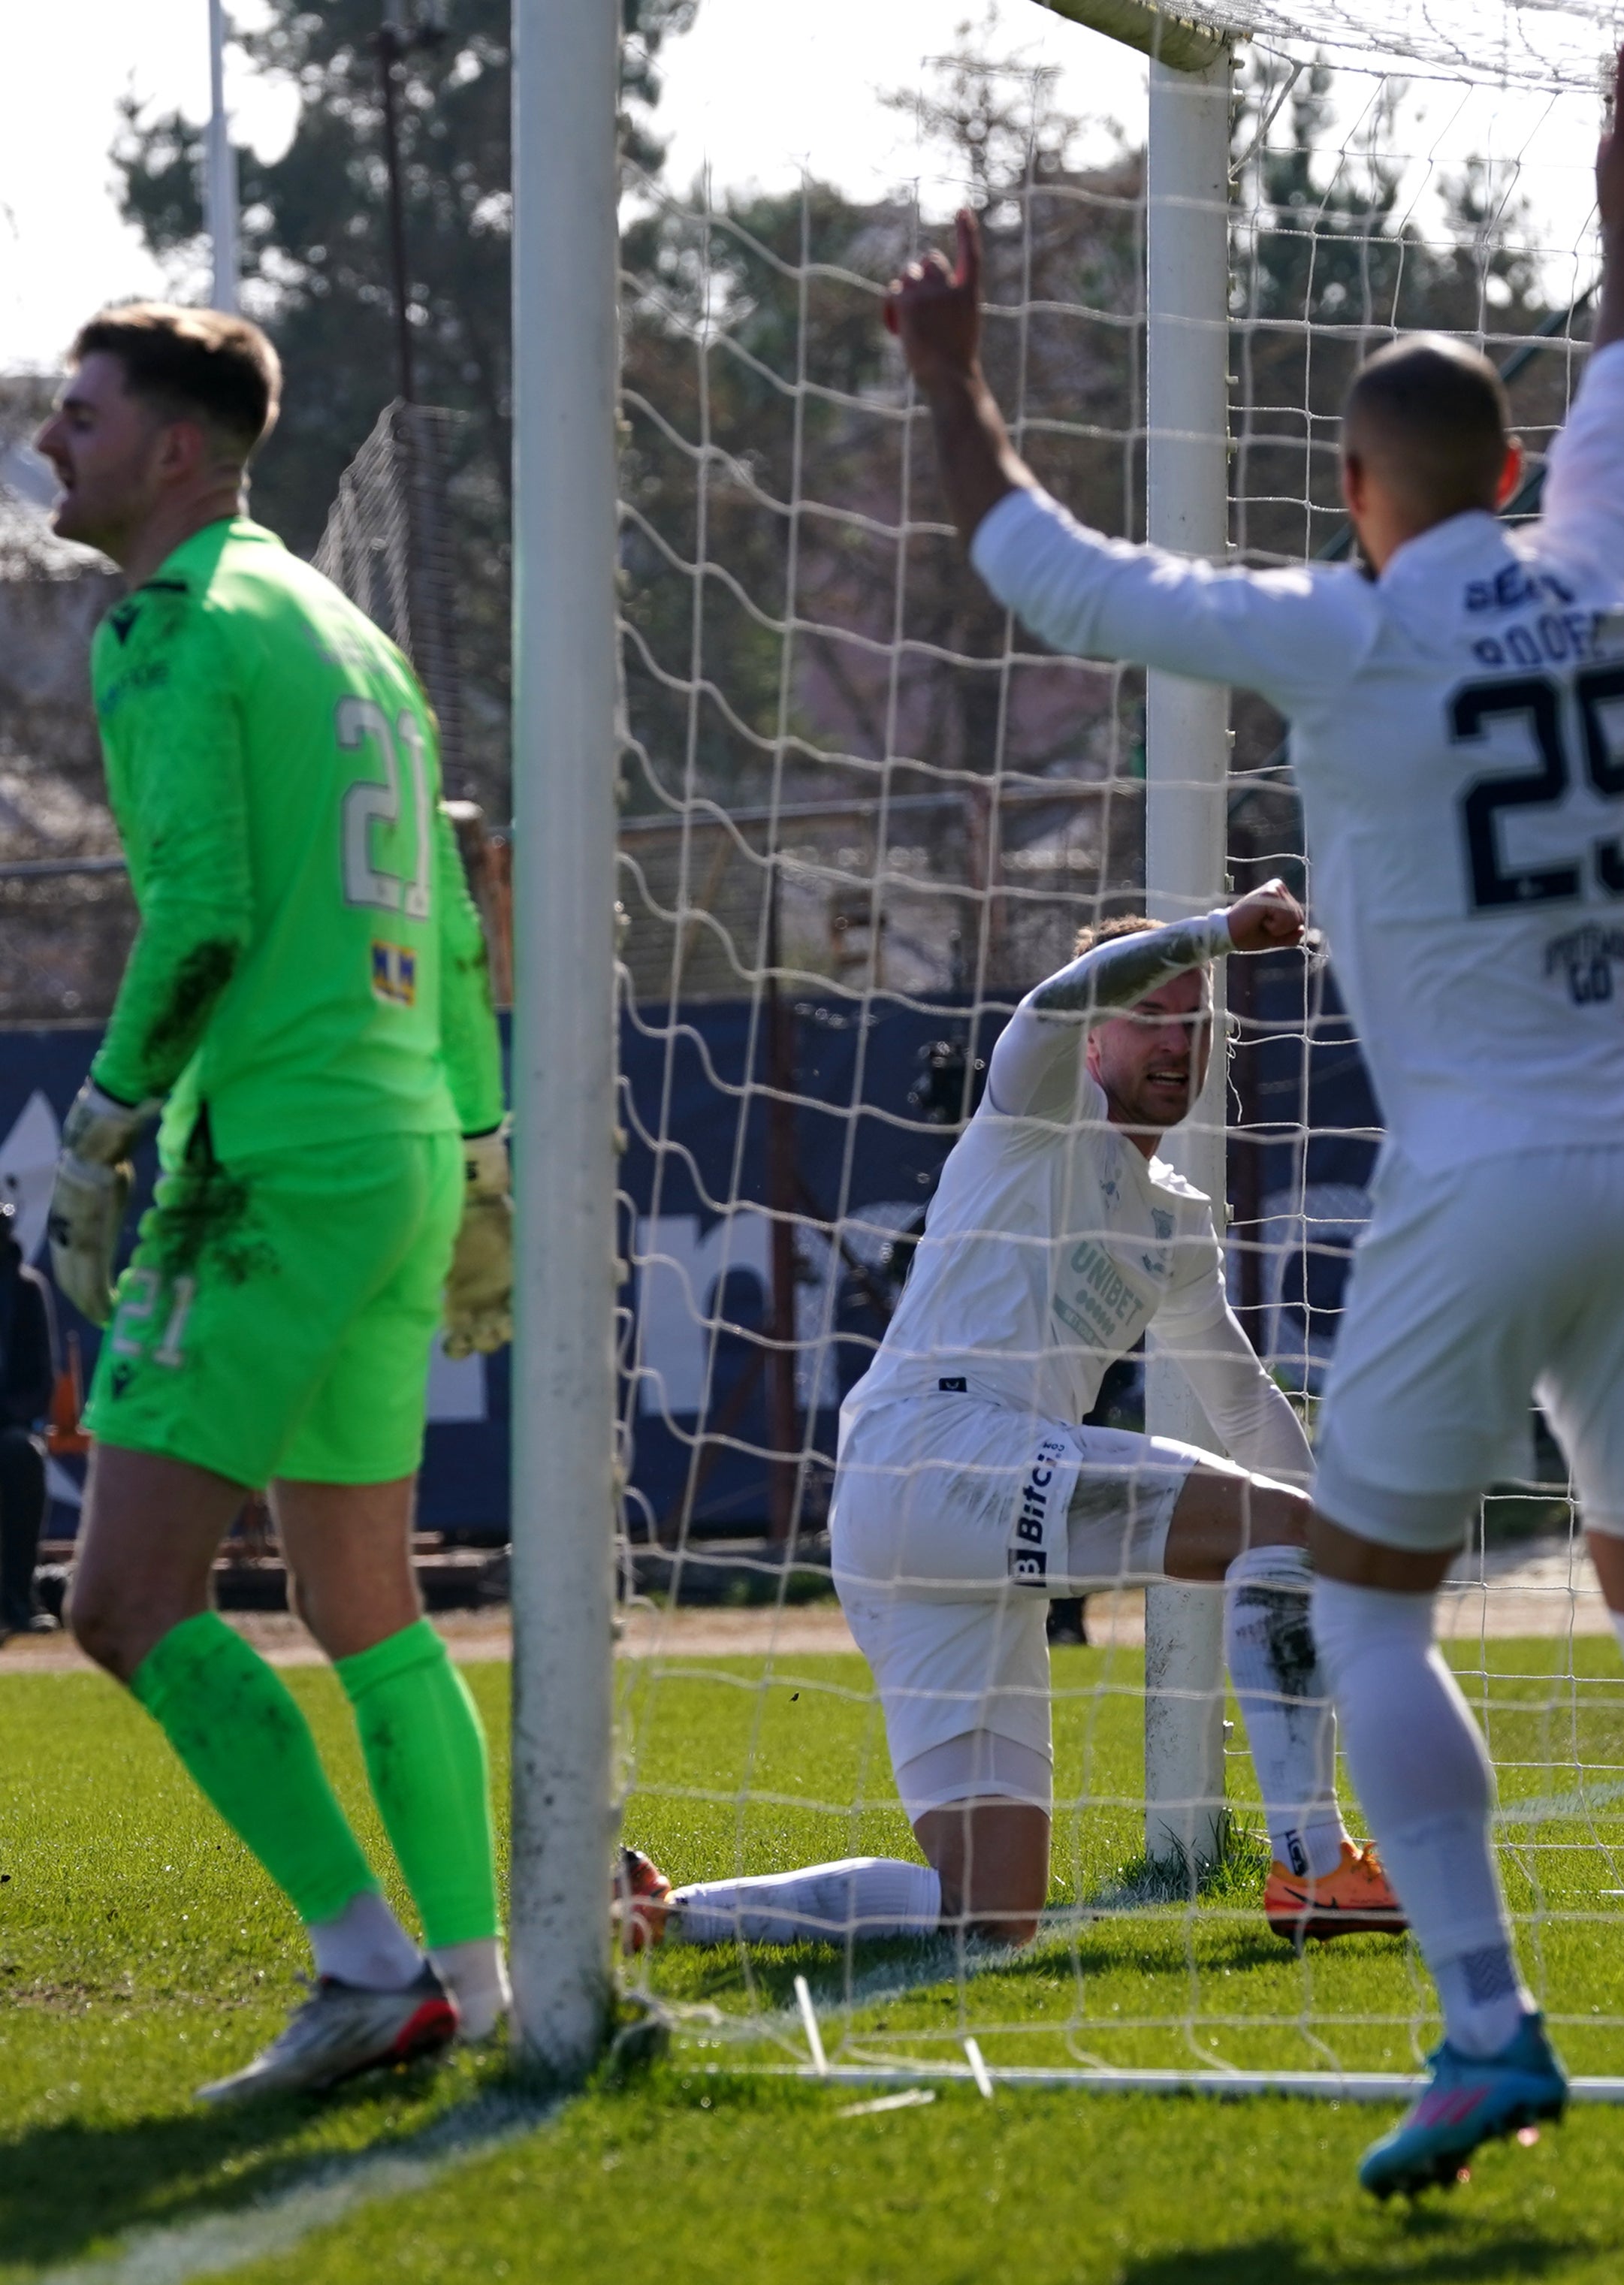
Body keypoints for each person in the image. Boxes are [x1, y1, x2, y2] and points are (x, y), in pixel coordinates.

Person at [877, 48, 1624, 2208]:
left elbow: (1042, 572)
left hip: (1483, 1183)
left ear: (1352, 490)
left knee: (1363, 1608)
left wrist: (949, 371)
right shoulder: (1598, 560)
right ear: (1507, 467)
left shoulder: (1332, 636)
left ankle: (1484, 2031)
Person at [35, 304, 516, 2103]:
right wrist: (472, 1141)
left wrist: (100, 1133)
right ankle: (473, 1983)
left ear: (175, 448)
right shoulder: (349, 632)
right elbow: (461, 910)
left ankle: (365, 1965)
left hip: (269, 1160)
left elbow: (206, 913)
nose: (47, 450)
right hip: (390, 1148)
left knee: (121, 1596)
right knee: (363, 1595)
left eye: (74, 419)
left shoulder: (166, 620)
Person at [626, 892, 1404, 1951]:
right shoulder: (1038, 1108)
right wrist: (1220, 930)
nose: (1176, 1039)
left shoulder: (1173, 1218)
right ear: (1099, 1035)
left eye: (1195, 1019)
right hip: (943, 1453)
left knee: (988, 1915)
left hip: (944, 1519)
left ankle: (669, 1918)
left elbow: (1238, 1397)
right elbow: (1048, 1000)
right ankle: (1314, 1864)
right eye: (1150, 1013)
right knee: (1271, 1533)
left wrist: (1328, 1533)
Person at [0, 1200, 57, 1641]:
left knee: (21, 1455)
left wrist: (8, 1413)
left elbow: (40, 1383)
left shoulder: (25, 1290)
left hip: (5, 1427)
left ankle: (19, 1599)